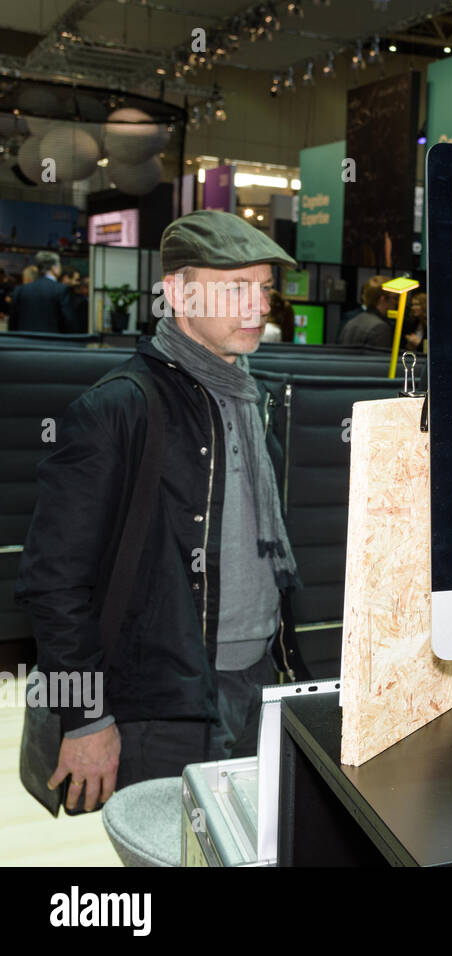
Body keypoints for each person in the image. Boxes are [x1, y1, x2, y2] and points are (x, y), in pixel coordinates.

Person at [16, 209, 307, 811]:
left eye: (264, 289)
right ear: (176, 292)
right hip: (160, 702)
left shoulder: (256, 402)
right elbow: (52, 581)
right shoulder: (120, 408)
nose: (257, 307)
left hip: (258, 682)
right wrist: (86, 717)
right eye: (235, 288)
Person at [8, 251, 79, 334]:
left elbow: (13, 320)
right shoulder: (62, 289)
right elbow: (69, 320)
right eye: (59, 265)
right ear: (54, 268)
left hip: (24, 342)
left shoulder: (21, 290)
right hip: (52, 342)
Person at [339, 275, 397, 348]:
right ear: (382, 299)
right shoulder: (380, 327)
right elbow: (380, 358)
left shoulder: (352, 321)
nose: (396, 302)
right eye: (395, 298)